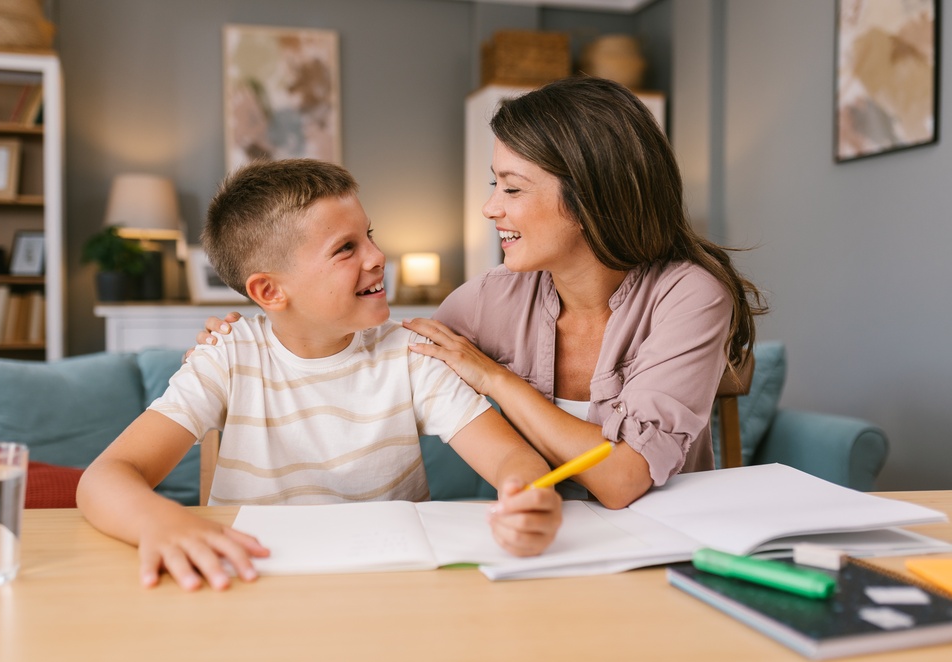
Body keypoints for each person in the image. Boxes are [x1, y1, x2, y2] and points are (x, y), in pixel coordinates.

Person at [196, 76, 766, 512]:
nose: (491, 207)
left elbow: (622, 480)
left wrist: (496, 379)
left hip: (662, 545)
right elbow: (374, 351)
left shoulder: (690, 295)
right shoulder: (492, 297)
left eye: (512, 189)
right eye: (496, 184)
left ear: (593, 196)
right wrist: (261, 340)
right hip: (540, 544)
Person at [77, 159, 562, 593]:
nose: (377, 256)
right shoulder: (227, 356)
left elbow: (513, 459)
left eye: (369, 234)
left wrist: (526, 497)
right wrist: (161, 523)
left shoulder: (409, 354)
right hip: (253, 582)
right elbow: (104, 478)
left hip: (386, 588)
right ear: (270, 291)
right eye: (345, 248)